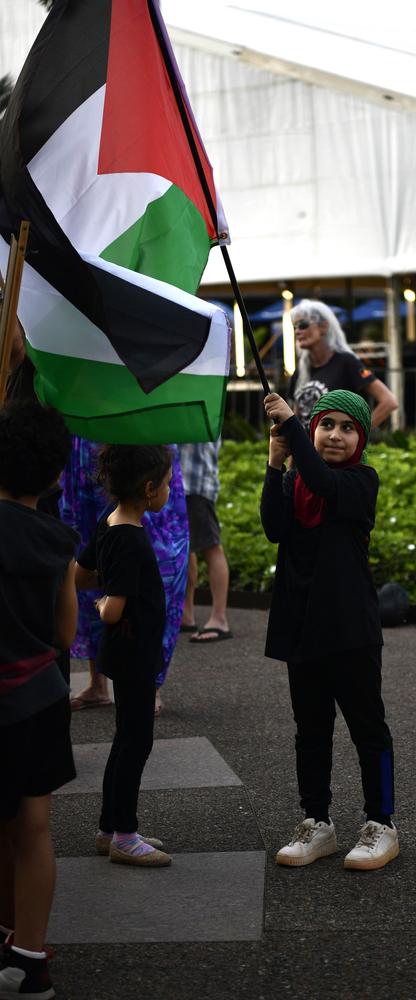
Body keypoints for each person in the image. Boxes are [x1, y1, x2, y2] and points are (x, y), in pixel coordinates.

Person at [261, 388, 399, 871]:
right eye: (325, 425)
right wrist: (275, 465)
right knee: (310, 731)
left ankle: (381, 823)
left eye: (347, 428)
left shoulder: (361, 481)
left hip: (350, 628)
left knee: (368, 728)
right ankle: (316, 822)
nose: (334, 435)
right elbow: (274, 527)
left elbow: (323, 482)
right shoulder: (297, 479)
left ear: (361, 438)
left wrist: (292, 426)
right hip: (302, 626)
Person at [0, 400, 78, 999]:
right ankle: (29, 957)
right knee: (34, 828)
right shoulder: (58, 542)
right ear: (56, 474)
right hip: (38, 697)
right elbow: (65, 636)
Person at [75, 445, 173, 868]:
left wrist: (103, 581)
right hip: (135, 654)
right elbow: (113, 607)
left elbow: (79, 573)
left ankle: (108, 827)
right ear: (149, 489)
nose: (169, 490)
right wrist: (102, 604)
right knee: (136, 742)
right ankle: (125, 836)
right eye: (167, 484)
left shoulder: (109, 523)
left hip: (123, 652)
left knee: (124, 740)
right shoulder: (131, 539)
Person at [61, 437, 189, 716]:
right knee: (134, 736)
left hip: (136, 444)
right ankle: (115, 683)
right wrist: (110, 595)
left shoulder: (114, 526)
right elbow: (106, 606)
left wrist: (112, 584)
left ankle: (142, 685)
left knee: (146, 562)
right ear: (151, 490)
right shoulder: (125, 534)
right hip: (108, 449)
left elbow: (81, 574)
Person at [288, 299, 398, 431]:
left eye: (303, 325)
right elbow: (295, 415)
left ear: (324, 326)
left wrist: (358, 435)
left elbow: (389, 401)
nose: (297, 331)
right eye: (294, 327)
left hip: (335, 449)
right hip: (306, 449)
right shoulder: (301, 368)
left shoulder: (346, 362)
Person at [179, 440, 232, 643]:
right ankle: (186, 614)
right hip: (185, 481)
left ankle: (219, 618)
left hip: (195, 482)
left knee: (211, 547)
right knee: (186, 546)